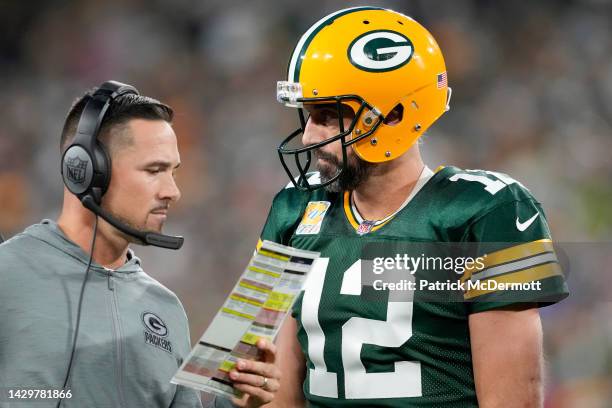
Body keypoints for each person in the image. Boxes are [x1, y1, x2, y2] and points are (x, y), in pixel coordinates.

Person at [261, 7, 569, 407]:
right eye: (308, 115)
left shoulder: (486, 210)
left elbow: (513, 400)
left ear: (393, 114)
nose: (308, 136)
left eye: (328, 116)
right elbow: (275, 389)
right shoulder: (294, 207)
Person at [0, 82, 280, 408]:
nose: (173, 191)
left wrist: (235, 403)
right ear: (87, 171)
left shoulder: (166, 308)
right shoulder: (8, 276)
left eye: (173, 171)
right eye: (154, 170)